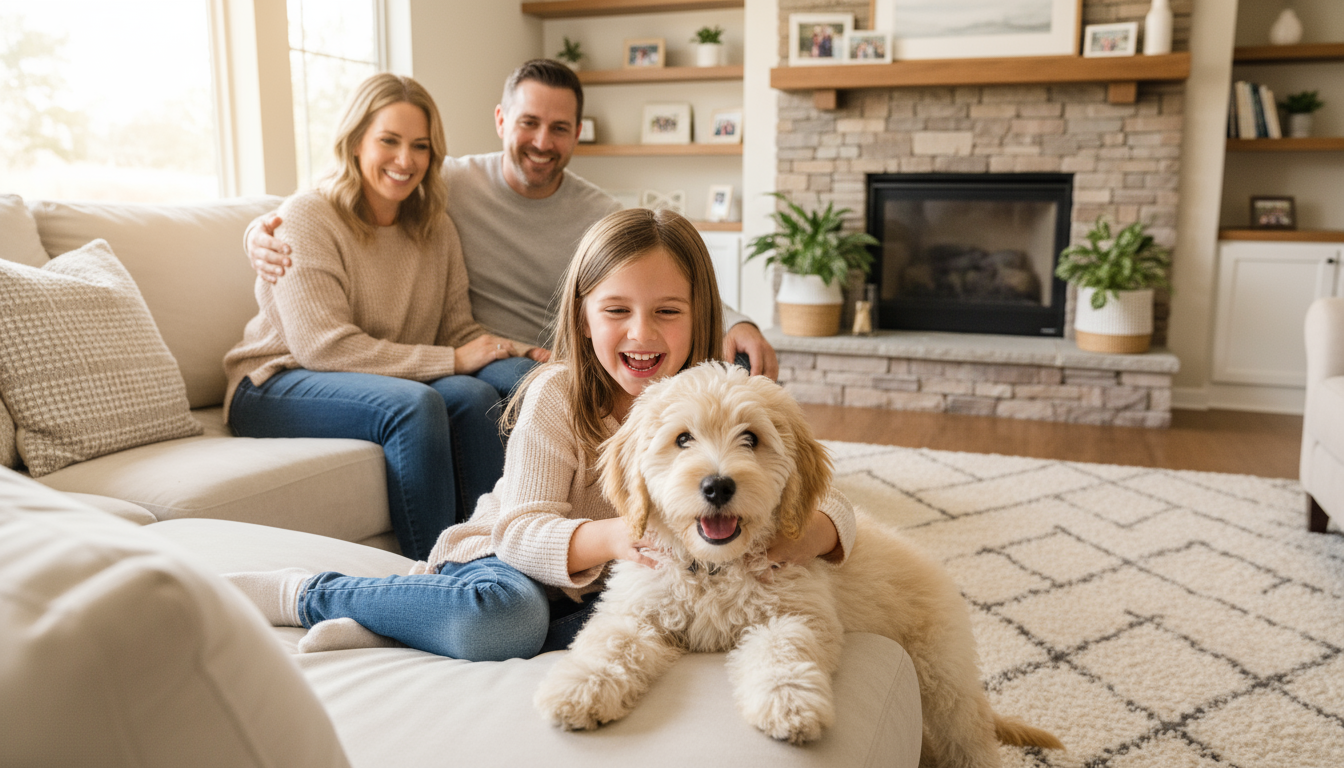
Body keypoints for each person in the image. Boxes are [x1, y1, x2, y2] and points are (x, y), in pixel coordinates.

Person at [224, 208, 855, 662]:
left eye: (668, 311)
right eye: (616, 311)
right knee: (510, 621)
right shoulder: (558, 393)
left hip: (597, 592)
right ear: (583, 320)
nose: (642, 334)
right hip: (513, 563)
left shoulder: (715, 396)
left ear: (701, 316)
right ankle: (313, 593)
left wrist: (814, 533)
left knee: (634, 626)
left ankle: (401, 624)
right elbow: (520, 529)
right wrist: (617, 536)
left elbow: (828, 491)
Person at [245, 59, 779, 383]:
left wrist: (738, 323)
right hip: (493, 355)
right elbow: (344, 192)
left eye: (560, 128)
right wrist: (260, 230)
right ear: (502, 121)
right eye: (529, 123)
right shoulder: (441, 182)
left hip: (572, 358)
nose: (543, 143)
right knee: (498, 391)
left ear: (577, 134)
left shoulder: (600, 215)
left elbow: (668, 270)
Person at [223, 73, 532, 562]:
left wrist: (510, 348)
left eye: (421, 146)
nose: (405, 160)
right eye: (389, 140)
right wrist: (451, 358)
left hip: (371, 375)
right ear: (356, 141)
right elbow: (323, 347)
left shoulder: (434, 228)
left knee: (475, 397)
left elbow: (456, 330)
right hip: (274, 381)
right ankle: (432, 581)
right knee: (415, 406)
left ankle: (494, 564)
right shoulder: (307, 216)